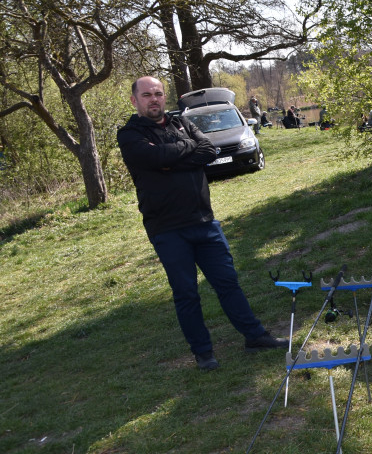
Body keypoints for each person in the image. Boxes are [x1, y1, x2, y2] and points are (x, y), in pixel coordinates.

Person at [117, 76, 288, 370]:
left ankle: (255, 336)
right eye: (147, 95)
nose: (154, 99)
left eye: (158, 93)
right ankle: (203, 353)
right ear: (135, 101)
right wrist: (186, 152)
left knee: (228, 283)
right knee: (186, 293)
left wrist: (170, 160)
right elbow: (152, 156)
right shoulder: (129, 134)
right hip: (167, 228)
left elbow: (208, 150)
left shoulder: (180, 123)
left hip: (204, 221)